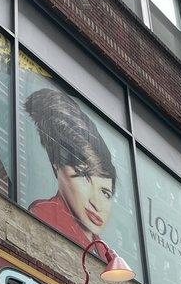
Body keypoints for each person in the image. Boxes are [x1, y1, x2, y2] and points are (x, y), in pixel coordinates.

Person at [25, 88, 116, 253]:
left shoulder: (106, 253)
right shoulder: (45, 216)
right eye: (84, 177)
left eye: (105, 193)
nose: (96, 203)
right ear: (57, 167)